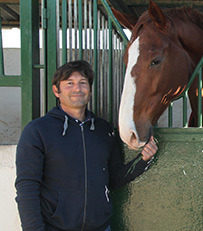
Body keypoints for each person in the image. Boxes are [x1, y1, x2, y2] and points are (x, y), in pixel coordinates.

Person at [15, 60, 158, 231]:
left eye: (83, 83)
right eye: (69, 84)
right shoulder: (37, 131)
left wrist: (143, 160)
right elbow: (27, 187)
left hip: (101, 227)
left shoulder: (103, 130)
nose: (77, 89)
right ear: (56, 91)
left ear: (90, 89)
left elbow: (113, 179)